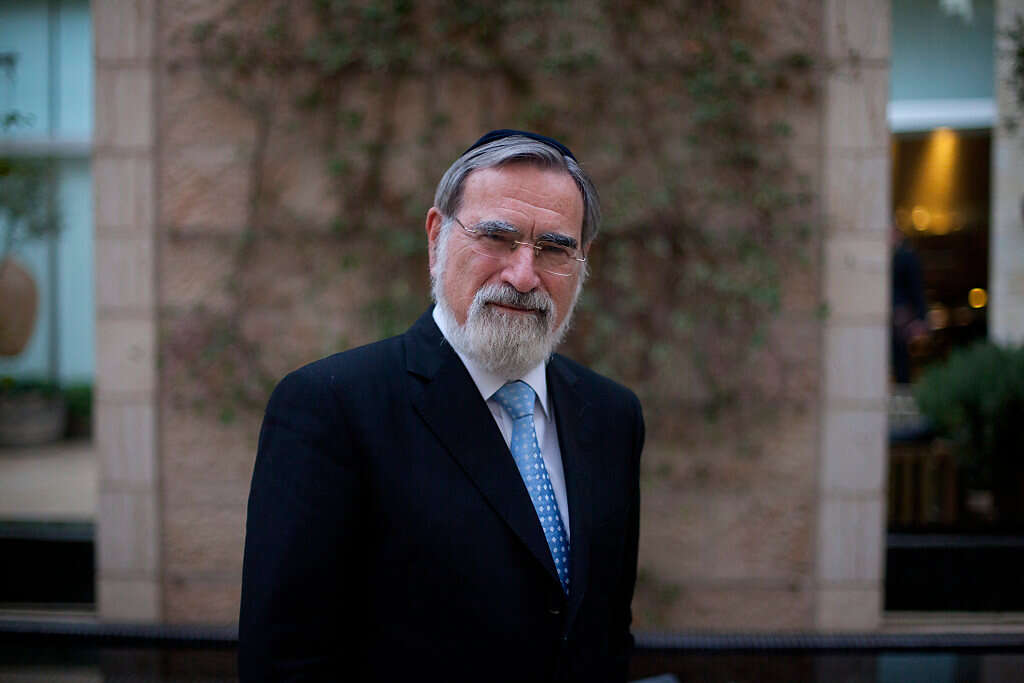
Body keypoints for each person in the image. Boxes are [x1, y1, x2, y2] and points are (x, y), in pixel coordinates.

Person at [238, 130, 645, 682]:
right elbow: (286, 662)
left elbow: (606, 636)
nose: (523, 276)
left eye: (553, 249)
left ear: (582, 261)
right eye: (497, 238)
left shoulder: (612, 417)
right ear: (436, 238)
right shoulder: (332, 408)